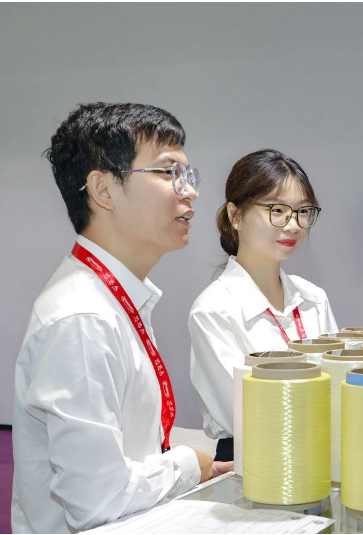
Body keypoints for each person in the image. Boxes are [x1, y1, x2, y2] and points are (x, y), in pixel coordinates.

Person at [11, 103, 233, 534]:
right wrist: (189, 464)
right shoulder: (82, 317)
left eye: (188, 175)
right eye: (168, 173)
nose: (189, 192)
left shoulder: (112, 297)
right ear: (103, 190)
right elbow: (96, 500)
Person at [189, 149, 338, 462]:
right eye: (277, 210)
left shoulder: (313, 299)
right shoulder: (214, 310)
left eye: (303, 211)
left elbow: (340, 388)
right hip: (251, 464)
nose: (293, 225)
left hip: (321, 454)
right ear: (235, 216)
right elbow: (246, 415)